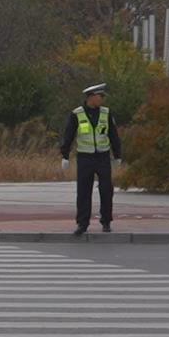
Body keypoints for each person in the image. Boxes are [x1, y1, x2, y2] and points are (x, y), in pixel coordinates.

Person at [60, 82, 123, 236]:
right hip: (85, 158)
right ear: (91, 97)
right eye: (100, 96)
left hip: (102, 157)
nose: (102, 99)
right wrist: (65, 156)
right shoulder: (77, 114)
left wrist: (118, 155)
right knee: (83, 192)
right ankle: (82, 223)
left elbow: (113, 135)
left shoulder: (106, 113)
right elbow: (68, 136)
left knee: (106, 190)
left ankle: (106, 221)